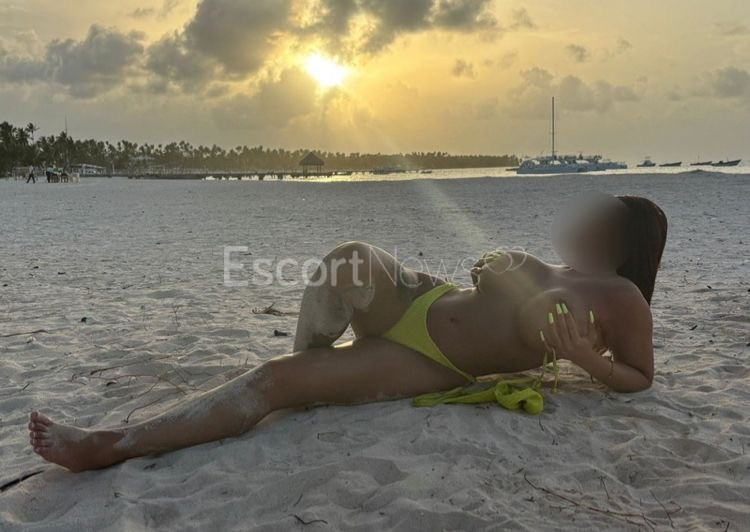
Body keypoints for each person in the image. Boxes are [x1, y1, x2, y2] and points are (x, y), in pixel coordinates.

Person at [28, 193, 668, 472]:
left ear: (624, 235)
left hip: (431, 356)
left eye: (601, 219)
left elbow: (639, 378)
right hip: (426, 297)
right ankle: (310, 368)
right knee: (351, 257)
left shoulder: (622, 297)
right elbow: (494, 297)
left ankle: (110, 445)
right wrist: (489, 271)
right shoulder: (562, 269)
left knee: (272, 382)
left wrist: (587, 360)